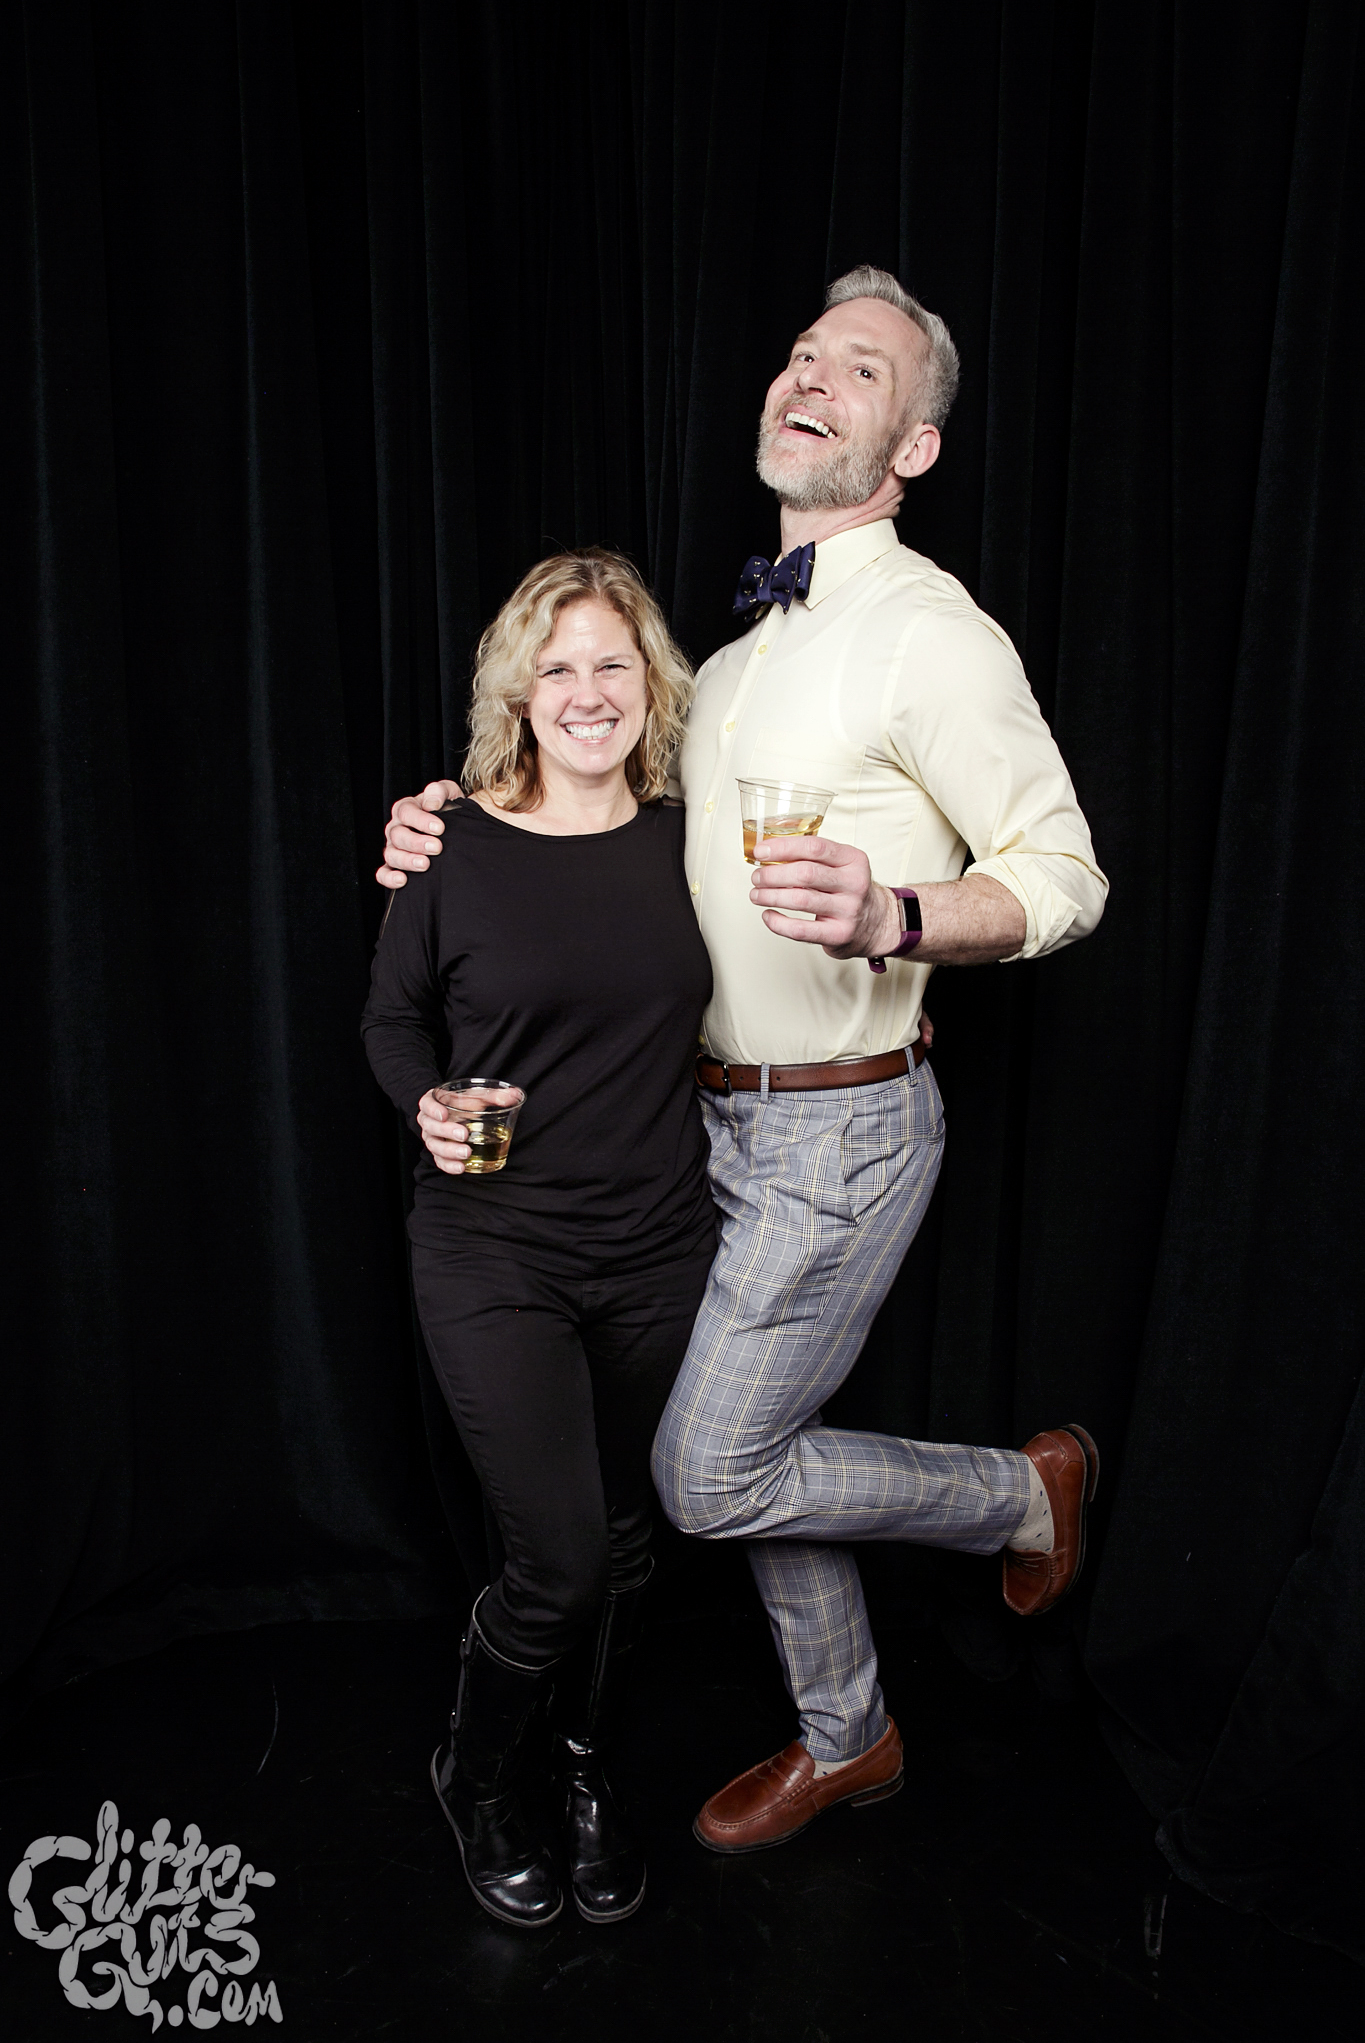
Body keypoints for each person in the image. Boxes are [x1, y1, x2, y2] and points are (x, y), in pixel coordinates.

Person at [378, 266, 1108, 1858]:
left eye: (863, 370)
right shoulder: (731, 662)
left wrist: (898, 913)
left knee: (710, 1475)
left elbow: (1063, 877)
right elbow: (590, 819)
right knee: (765, 1446)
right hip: (696, 1135)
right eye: (801, 353)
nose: (814, 378)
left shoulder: (931, 638)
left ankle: (1018, 1496)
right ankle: (849, 1734)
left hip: (836, 1133)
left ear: (912, 448)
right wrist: (442, 829)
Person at [361, 550, 718, 1928]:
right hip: (493, 1252)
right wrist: (426, 1104)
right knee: (559, 1560)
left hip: (658, 1249)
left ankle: (581, 1773)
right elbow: (392, 1019)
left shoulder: (692, 838)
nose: (586, 692)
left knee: (627, 1543)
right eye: (555, 668)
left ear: (652, 686)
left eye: (612, 664)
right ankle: (478, 1776)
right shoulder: (450, 846)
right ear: (516, 694)